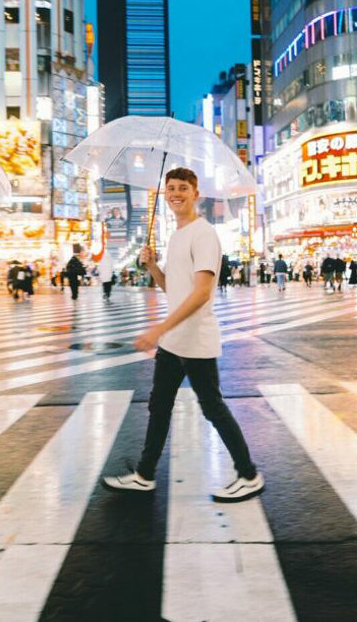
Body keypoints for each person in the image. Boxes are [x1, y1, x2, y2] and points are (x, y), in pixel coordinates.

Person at [102, 168, 263, 503]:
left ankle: (248, 474)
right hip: (174, 341)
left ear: (196, 194)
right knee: (158, 406)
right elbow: (172, 289)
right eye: (171, 188)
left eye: (183, 189)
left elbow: (202, 293)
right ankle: (145, 475)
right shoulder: (177, 235)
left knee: (213, 408)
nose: (176, 194)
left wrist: (159, 328)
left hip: (195, 341)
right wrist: (151, 267)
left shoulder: (203, 234)